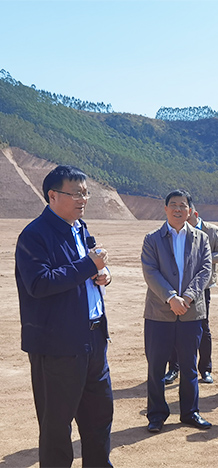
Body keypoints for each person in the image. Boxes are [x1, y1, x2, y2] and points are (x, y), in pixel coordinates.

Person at [16, 165, 113, 467]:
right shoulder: (35, 235)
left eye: (86, 193)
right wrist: (89, 265)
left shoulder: (79, 228)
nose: (83, 200)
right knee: (57, 428)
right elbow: (39, 283)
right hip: (58, 345)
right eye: (76, 194)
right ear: (53, 196)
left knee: (99, 418)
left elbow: (86, 269)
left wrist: (103, 274)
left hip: (93, 339)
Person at [141, 189, 212, 432]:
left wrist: (188, 297)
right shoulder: (152, 239)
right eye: (173, 204)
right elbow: (150, 272)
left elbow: (205, 270)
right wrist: (171, 298)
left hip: (191, 314)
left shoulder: (201, 238)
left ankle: (190, 412)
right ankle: (156, 415)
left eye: (183, 205)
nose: (178, 209)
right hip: (159, 314)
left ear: (190, 211)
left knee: (189, 366)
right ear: (165, 209)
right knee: (156, 367)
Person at [164, 207, 218, 385]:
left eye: (187, 215)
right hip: (176, 287)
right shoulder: (174, 230)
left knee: (202, 327)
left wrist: (202, 257)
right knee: (174, 326)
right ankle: (174, 368)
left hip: (201, 287)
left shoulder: (212, 231)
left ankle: (205, 369)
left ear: (194, 214)